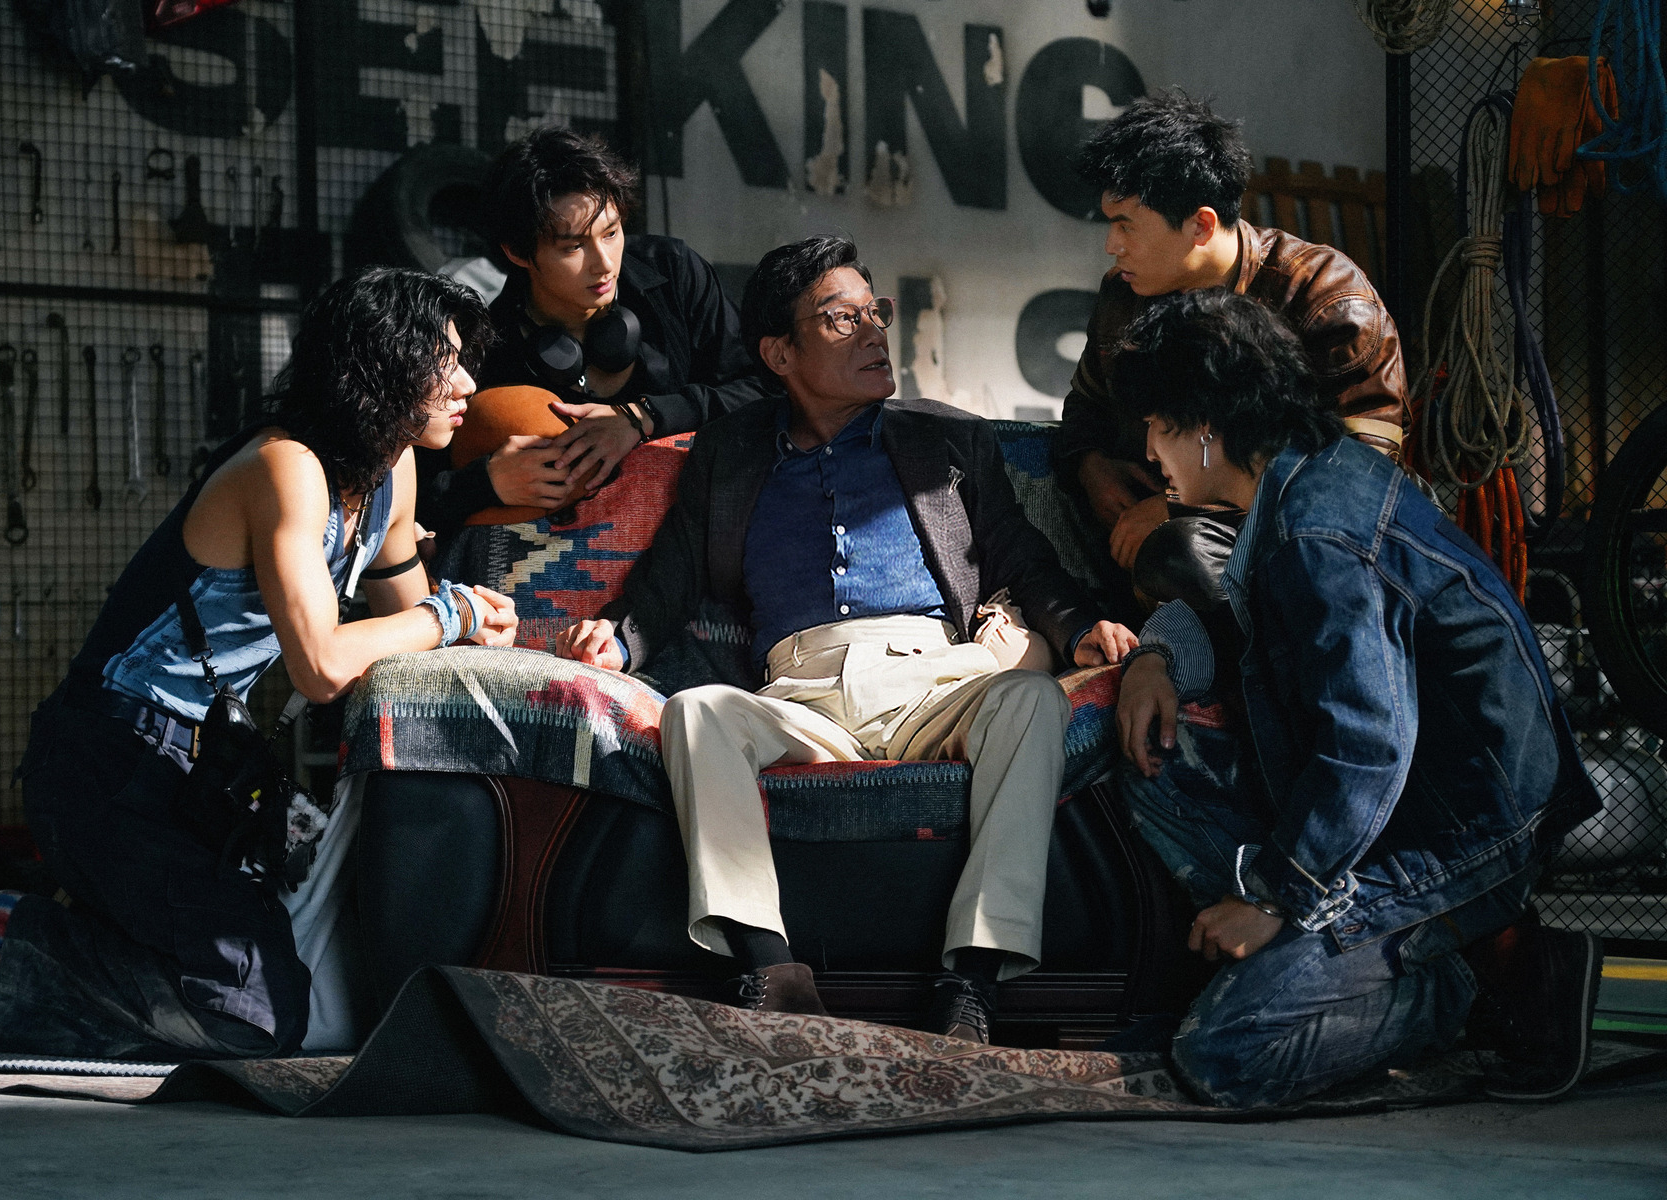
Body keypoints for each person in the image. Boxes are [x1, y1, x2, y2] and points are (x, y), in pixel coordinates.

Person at [0, 268, 520, 1061]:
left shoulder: (393, 471)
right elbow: (323, 665)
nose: (468, 383)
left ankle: (94, 927)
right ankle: (16, 938)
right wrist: (451, 615)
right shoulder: (285, 468)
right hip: (108, 759)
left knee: (267, 997)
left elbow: (407, 632)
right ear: (382, 366)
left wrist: (480, 632)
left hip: (203, 773)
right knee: (257, 1014)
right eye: (445, 362)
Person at [554, 236, 1137, 1043]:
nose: (873, 334)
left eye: (875, 312)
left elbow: (1020, 556)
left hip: (937, 681)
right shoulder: (730, 452)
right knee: (696, 713)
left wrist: (1078, 628)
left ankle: (972, 980)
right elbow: (670, 576)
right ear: (779, 354)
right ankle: (770, 969)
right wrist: (618, 642)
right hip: (802, 695)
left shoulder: (947, 439)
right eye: (841, 319)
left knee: (1031, 703)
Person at [1112, 289, 1601, 1108]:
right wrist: (1152, 658)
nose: (1149, 451)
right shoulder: (1302, 475)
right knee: (1159, 763)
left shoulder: (1318, 534)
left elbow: (1368, 745)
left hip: (1459, 834)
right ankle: (1306, 954)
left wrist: (1274, 894)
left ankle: (1477, 984)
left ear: (1203, 427)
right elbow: (1229, 608)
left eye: (1156, 426)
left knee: (1223, 1053)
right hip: (1405, 806)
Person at [1055, 90, 1408, 612]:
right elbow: (1087, 403)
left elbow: (1360, 477)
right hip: (1132, 551)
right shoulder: (1124, 295)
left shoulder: (1328, 300)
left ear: (1200, 224)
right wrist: (1091, 467)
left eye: (1126, 224)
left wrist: (1182, 510)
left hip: (1299, 557)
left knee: (1183, 552)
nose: (1112, 244)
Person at [418, 127, 769, 537]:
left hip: (698, 534)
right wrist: (487, 481)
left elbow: (768, 389)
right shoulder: (484, 348)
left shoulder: (674, 274)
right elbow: (415, 493)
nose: (604, 263)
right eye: (573, 247)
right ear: (517, 251)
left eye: (611, 233)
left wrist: (644, 416)